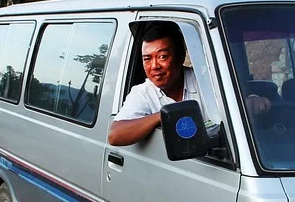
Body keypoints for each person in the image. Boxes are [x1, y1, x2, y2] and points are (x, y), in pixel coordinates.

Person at [107, 22, 270, 147]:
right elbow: (115, 135)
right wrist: (164, 116)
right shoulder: (143, 93)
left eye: (162, 57)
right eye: (147, 59)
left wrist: (253, 100)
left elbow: (235, 101)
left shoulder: (205, 82)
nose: (154, 66)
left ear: (180, 56)